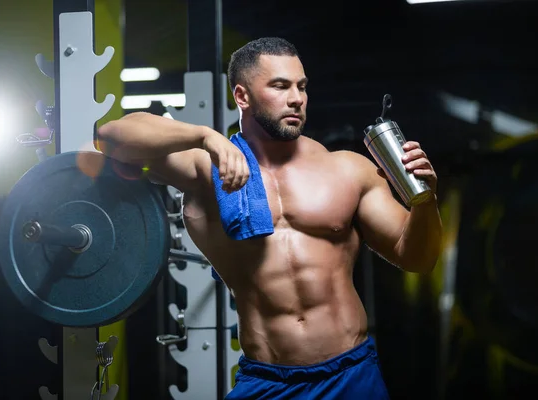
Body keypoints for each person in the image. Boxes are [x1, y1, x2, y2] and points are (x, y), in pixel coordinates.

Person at [97, 37, 443, 399]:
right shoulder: (206, 169)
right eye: (280, 86)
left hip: (351, 375)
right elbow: (110, 138)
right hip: (267, 382)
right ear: (242, 97)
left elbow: (417, 257)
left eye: (302, 86)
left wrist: (424, 202)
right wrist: (205, 137)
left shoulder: (348, 169)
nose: (297, 98)